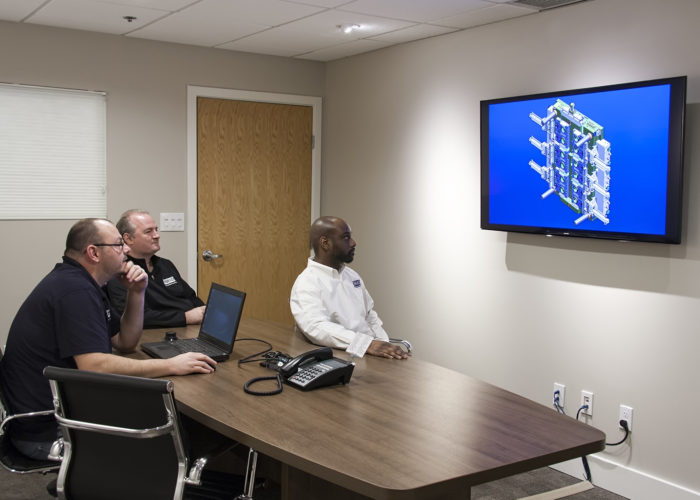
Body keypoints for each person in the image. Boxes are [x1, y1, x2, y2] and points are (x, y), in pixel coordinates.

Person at [0, 218, 216, 461]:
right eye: (117, 244)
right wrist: (171, 365)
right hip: (51, 432)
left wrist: (137, 292)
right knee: (177, 427)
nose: (125, 250)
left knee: (175, 418)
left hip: (64, 413)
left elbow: (124, 341)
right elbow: (95, 366)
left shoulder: (84, 283)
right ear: (93, 253)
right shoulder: (75, 291)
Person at [290, 216, 408, 360]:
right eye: (346, 238)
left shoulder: (352, 276)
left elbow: (369, 315)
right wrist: (366, 344)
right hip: (342, 357)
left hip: (370, 353)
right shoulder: (307, 282)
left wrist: (384, 344)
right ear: (325, 243)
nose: (353, 243)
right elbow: (316, 327)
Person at [106, 209, 206, 328]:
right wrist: (185, 317)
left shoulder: (165, 264)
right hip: (156, 334)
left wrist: (205, 312)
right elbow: (134, 317)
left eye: (156, 230)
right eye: (148, 232)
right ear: (128, 239)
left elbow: (191, 298)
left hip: (192, 328)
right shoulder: (121, 272)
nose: (157, 235)